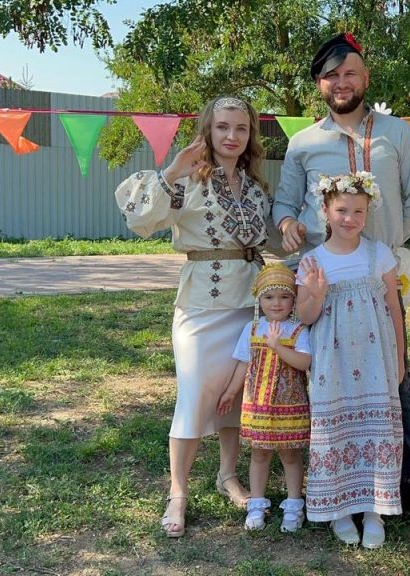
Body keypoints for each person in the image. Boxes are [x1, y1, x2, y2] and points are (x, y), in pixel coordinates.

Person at [272, 32, 410, 515]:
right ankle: (327, 475)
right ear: (319, 84)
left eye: (350, 73)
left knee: (393, 372)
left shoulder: (398, 134)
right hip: (321, 281)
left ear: (366, 78)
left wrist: (380, 244)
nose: (341, 82)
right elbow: (284, 203)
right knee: (324, 373)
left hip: (378, 277)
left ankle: (403, 477)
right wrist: (288, 224)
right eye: (331, 75)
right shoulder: (303, 143)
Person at [114, 96, 276, 537]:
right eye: (223, 127)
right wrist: (171, 171)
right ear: (208, 129)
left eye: (241, 128)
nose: (231, 136)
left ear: (250, 135)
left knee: (236, 397)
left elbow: (271, 237)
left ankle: (227, 475)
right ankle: (178, 492)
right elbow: (139, 221)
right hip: (201, 304)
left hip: (248, 303)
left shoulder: (256, 186)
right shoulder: (186, 179)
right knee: (194, 394)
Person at [295, 172, 404, 548]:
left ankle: (374, 511)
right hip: (333, 362)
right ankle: (339, 510)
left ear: (367, 214)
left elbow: (393, 308)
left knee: (376, 427)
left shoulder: (379, 255)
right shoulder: (313, 260)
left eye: (359, 211)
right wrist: (316, 293)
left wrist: (399, 358)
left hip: (376, 359)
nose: (350, 218)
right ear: (325, 211)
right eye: (341, 210)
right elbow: (305, 317)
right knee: (335, 430)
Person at [218, 263, 312, 532]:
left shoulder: (298, 330)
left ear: (293, 300)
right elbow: (242, 363)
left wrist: (277, 347)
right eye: (269, 297)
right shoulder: (252, 328)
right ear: (259, 299)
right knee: (259, 454)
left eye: (284, 297)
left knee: (291, 455)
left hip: (290, 405)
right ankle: (256, 504)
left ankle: (294, 505)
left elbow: (304, 362)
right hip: (257, 404)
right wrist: (230, 392)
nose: (276, 303)